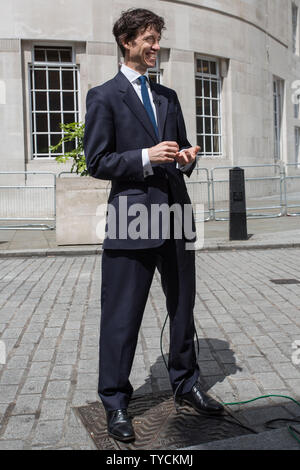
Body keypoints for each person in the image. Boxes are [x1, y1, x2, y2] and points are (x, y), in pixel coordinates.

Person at [83, 8, 224, 443]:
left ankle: (187, 384)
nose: (156, 46)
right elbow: (98, 161)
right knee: (122, 316)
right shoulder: (103, 96)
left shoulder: (168, 96)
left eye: (158, 38)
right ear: (127, 41)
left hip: (175, 216)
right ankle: (115, 402)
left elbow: (180, 149)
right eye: (149, 38)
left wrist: (187, 157)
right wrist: (146, 157)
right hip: (131, 218)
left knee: (182, 310)